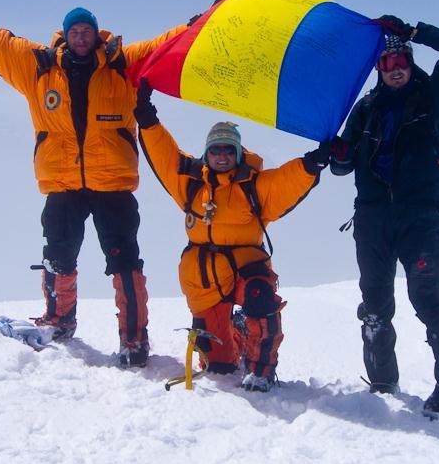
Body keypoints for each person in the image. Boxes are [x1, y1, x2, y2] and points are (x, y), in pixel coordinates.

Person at [0, 0, 190, 367]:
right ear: (65, 35)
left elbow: (164, 45)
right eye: (75, 31)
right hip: (63, 183)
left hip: (113, 185)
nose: (82, 37)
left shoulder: (124, 64)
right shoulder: (37, 67)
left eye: (87, 31)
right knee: (58, 256)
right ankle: (60, 319)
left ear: (96, 35)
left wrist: (197, 24)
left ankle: (134, 339)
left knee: (125, 263)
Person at [134, 84, 330, 392]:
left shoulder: (254, 187)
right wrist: (146, 117)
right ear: (207, 153)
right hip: (203, 279)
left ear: (238, 154)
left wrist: (312, 163)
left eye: (229, 150)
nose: (222, 155)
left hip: (244, 270)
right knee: (219, 365)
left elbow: (285, 183)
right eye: (216, 149)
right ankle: (237, 332)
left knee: (260, 298)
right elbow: (163, 154)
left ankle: (260, 372)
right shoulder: (189, 183)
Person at [330, 15, 439, 419]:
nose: (396, 72)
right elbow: (343, 164)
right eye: (388, 66)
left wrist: (415, 32)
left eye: (402, 64)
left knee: (428, 301)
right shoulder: (367, 109)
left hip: (419, 219)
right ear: (379, 69)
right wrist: (340, 156)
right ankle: (382, 383)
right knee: (374, 305)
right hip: (373, 221)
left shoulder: (431, 98)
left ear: (411, 64)